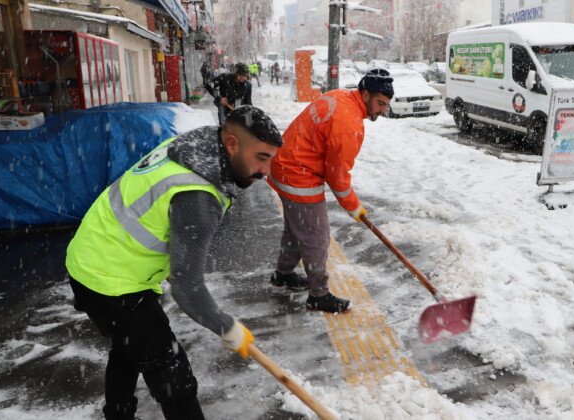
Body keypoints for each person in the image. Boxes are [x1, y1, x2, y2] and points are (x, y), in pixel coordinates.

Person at [65, 106, 283, 420]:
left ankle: (118, 415)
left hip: (91, 255)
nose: (266, 171)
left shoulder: (192, 147)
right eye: (261, 157)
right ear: (232, 144)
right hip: (110, 278)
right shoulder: (198, 194)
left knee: (127, 346)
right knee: (171, 374)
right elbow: (187, 286)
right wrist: (227, 327)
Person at [266, 69, 394, 313]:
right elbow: (337, 176)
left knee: (296, 227)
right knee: (316, 237)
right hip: (298, 174)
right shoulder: (348, 124)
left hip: (282, 163)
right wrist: (354, 207)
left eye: (386, 105)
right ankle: (318, 296)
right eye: (380, 103)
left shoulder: (340, 96)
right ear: (365, 94)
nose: (382, 110)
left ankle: (282, 275)